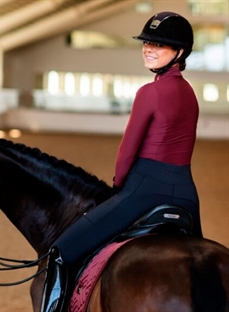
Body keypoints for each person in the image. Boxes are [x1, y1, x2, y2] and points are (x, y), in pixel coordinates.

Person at [40, 11, 203, 312]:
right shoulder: (190, 93)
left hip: (143, 191)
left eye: (159, 45)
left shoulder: (148, 92)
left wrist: (118, 186)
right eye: (147, 42)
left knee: (61, 250)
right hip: (186, 195)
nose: (149, 49)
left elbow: (127, 151)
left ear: (179, 52)